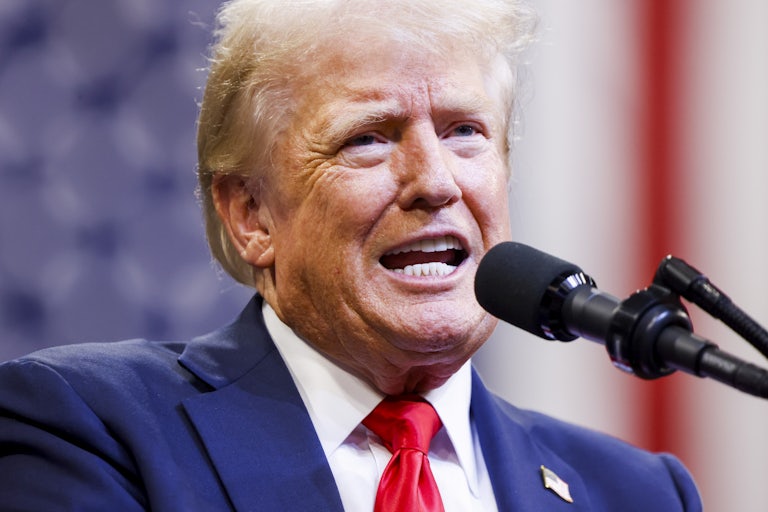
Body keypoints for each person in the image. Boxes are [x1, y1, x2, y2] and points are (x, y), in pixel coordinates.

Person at [0, 0, 702, 510]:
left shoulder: (638, 494)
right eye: (368, 137)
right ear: (251, 214)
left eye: (464, 131)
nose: (435, 180)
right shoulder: (92, 428)